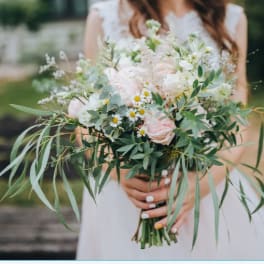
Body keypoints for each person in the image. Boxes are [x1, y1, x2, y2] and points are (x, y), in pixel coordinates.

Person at [76, 0, 264, 260]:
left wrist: (198, 185)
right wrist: (119, 173)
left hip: (207, 185)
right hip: (126, 197)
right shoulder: (104, 17)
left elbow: (238, 119)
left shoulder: (231, 18)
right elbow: (85, 118)